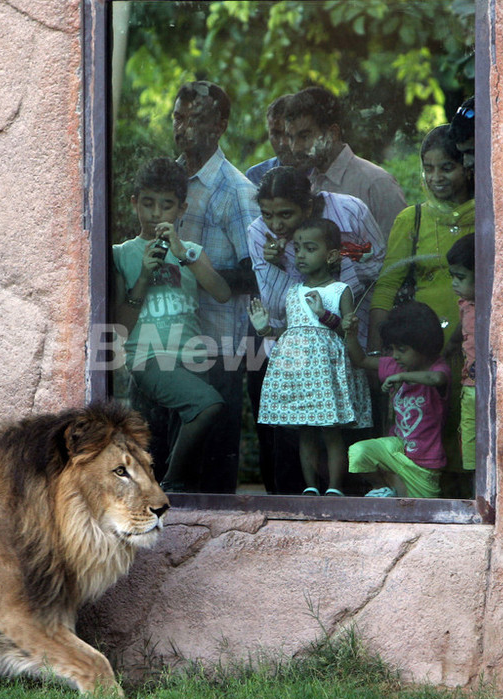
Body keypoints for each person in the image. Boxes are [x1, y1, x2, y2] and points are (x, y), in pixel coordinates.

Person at [112, 158, 232, 491]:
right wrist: (144, 278)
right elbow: (121, 325)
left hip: (191, 355)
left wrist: (181, 254)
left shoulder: (191, 251)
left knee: (189, 432)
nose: (155, 214)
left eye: (166, 206)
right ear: (134, 202)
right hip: (149, 357)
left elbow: (222, 293)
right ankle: (172, 484)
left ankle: (179, 493)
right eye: (147, 203)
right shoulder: (121, 254)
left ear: (182, 208)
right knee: (208, 404)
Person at [171, 80, 259, 491]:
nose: (184, 128)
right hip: (170, 338)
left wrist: (198, 272)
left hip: (219, 343)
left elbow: (255, 272)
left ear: (220, 125)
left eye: (197, 119)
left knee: (213, 466)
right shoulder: (169, 183)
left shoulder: (237, 191)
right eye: (178, 117)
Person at [248, 219, 372, 496]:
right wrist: (266, 329)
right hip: (300, 372)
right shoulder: (294, 291)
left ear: (330, 255)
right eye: (298, 248)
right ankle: (311, 487)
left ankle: (335, 487)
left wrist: (324, 315)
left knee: (330, 430)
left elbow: (345, 330)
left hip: (326, 372)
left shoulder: (340, 290)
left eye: (310, 248)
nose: (301, 254)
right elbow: (291, 330)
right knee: (305, 432)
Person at [248, 167, 384, 344]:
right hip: (296, 346)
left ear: (308, 207)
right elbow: (275, 309)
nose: (275, 225)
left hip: (360, 334)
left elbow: (381, 267)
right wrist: (278, 265)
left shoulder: (350, 211)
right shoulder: (259, 233)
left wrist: (340, 265)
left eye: (285, 214)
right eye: (267, 215)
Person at [369, 124, 474, 347]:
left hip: (477, 346)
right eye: (429, 169)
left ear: (467, 167)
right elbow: (387, 288)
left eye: (447, 168)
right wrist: (376, 353)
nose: (436, 177)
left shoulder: (487, 219)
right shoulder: (411, 220)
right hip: (423, 354)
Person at [343, 302, 450, 498]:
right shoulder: (395, 365)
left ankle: (394, 489)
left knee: (421, 516)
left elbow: (437, 379)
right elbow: (361, 361)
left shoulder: (437, 367)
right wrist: (351, 334)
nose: (395, 356)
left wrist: (401, 377)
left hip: (425, 462)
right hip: (396, 449)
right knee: (359, 452)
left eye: (401, 349)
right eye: (392, 349)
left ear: (423, 345)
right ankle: (383, 488)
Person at [283, 86, 407, 237]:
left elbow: (399, 253)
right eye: (290, 137)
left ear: (332, 133)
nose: (295, 148)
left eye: (304, 137)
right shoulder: (305, 185)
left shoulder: (375, 183)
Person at [446, 234, 476, 473]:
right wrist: (450, 346)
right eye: (452, 276)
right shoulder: (465, 304)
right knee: (469, 438)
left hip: (487, 387)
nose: (454, 283)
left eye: (461, 277)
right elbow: (461, 331)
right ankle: (473, 486)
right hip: (469, 385)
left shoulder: (492, 306)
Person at [245, 94, 296, 186]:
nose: (283, 143)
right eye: (276, 134)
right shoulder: (256, 176)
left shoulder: (321, 176)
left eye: (289, 134)